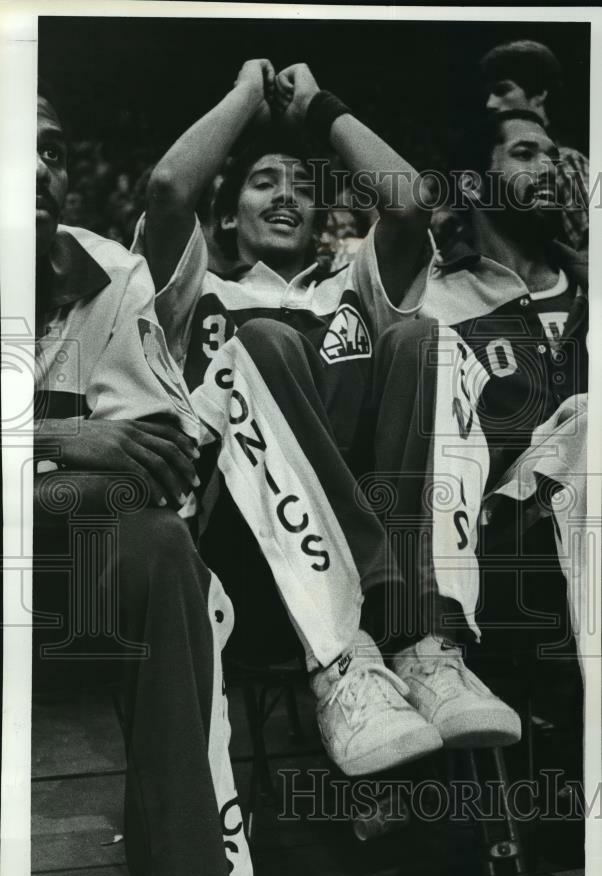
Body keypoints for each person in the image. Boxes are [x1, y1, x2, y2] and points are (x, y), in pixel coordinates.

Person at [134, 60, 521, 770]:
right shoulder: (199, 292)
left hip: (393, 572)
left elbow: (406, 201)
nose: (286, 196)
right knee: (266, 340)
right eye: (263, 182)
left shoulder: (349, 290)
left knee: (422, 337)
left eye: (302, 188)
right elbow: (166, 188)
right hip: (252, 557)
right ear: (225, 213)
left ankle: (429, 645)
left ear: (322, 216)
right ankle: (342, 652)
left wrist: (317, 105)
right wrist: (248, 94)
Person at [34, 83, 254, 876]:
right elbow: (93, 450)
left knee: (160, 542)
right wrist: (58, 435)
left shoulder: (110, 275)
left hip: (58, 571)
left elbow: (149, 468)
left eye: (47, 148)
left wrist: (83, 467)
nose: (39, 167)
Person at [375, 109, 587, 715]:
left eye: (553, 154)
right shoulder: (431, 301)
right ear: (473, 184)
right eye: (525, 154)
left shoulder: (591, 289)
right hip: (495, 547)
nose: (549, 168)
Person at [479, 39, 589, 250]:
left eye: (502, 90)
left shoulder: (569, 163)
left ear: (539, 94)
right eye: (524, 155)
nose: (490, 103)